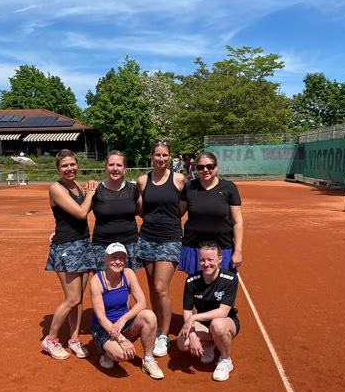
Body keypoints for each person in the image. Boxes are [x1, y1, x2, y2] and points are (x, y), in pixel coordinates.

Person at [43, 149, 97, 360]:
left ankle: (74, 339)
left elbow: (79, 212)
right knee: (72, 298)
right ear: (58, 169)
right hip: (67, 247)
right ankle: (51, 339)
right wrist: (91, 192)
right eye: (65, 166)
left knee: (79, 298)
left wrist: (91, 188)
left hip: (83, 244)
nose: (70, 168)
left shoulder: (76, 187)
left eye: (72, 164)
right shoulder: (56, 188)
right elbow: (82, 212)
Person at [137, 140, 185, 357]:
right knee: (150, 286)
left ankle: (163, 335)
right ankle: (155, 325)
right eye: (158, 155)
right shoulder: (142, 180)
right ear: (151, 156)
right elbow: (140, 209)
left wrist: (168, 222)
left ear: (170, 157)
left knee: (160, 287)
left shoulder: (179, 179)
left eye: (165, 155)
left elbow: (181, 210)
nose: (161, 159)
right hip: (147, 238)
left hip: (170, 239)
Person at [90, 243, 164, 380]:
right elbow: (101, 318)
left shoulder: (128, 274)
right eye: (113, 257)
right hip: (103, 328)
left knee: (149, 316)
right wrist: (121, 339)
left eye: (121, 258)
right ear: (105, 258)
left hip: (123, 324)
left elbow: (142, 302)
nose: (117, 261)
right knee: (122, 355)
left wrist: (123, 319)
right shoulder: (96, 281)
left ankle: (148, 359)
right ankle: (106, 353)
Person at [177, 242, 240, 381]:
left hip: (226, 322)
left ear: (220, 259)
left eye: (210, 259)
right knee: (182, 343)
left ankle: (225, 360)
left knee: (217, 325)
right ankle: (211, 344)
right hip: (203, 324)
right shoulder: (191, 281)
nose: (206, 264)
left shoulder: (230, 279)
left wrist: (194, 318)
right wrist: (193, 336)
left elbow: (222, 312)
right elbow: (187, 312)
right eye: (202, 260)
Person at [179, 152, 243, 274]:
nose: (205, 170)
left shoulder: (229, 188)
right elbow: (177, 213)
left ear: (216, 167)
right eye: (200, 167)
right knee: (196, 289)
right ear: (196, 169)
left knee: (221, 289)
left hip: (222, 248)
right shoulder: (189, 187)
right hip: (194, 248)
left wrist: (238, 251)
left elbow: (237, 221)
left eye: (210, 166)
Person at [91, 150, 142, 271]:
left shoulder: (134, 189)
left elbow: (145, 213)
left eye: (119, 165)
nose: (115, 168)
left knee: (127, 284)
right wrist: (57, 232)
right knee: (104, 284)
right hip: (102, 246)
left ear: (124, 168)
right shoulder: (95, 190)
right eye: (111, 164)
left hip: (129, 245)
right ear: (105, 168)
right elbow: (80, 214)